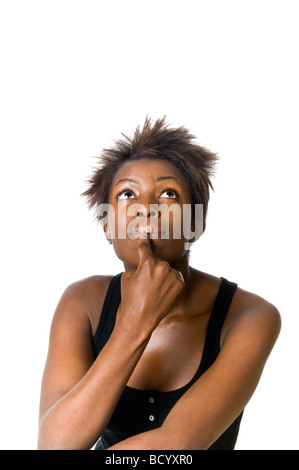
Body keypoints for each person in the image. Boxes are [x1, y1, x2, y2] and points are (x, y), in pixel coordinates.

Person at [38, 117, 281, 450]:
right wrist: (136, 322)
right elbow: (54, 444)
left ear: (195, 223)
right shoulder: (82, 301)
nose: (145, 209)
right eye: (127, 194)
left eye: (168, 194)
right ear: (108, 227)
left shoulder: (251, 316)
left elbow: (176, 445)